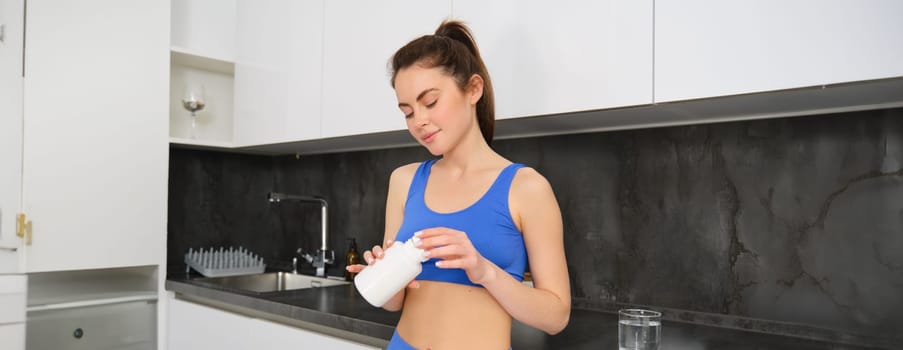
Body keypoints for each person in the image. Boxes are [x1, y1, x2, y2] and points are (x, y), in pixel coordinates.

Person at [346, 20, 570, 350]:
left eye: (431, 102)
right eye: (407, 112)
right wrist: (384, 274)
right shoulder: (404, 181)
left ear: (473, 90)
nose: (418, 121)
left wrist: (484, 271)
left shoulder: (527, 188)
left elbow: (556, 316)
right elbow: (395, 304)